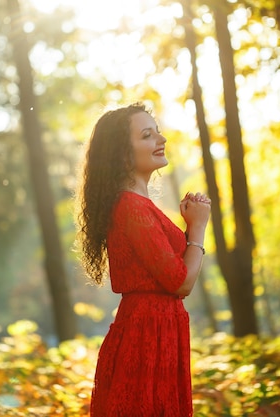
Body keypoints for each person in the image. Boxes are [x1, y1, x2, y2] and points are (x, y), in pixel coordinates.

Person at [75, 102, 211, 416]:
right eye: (147, 136)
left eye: (158, 133)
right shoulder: (131, 207)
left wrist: (191, 227)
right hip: (146, 332)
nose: (161, 140)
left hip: (158, 328)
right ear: (123, 154)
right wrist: (199, 228)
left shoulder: (139, 205)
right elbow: (181, 282)